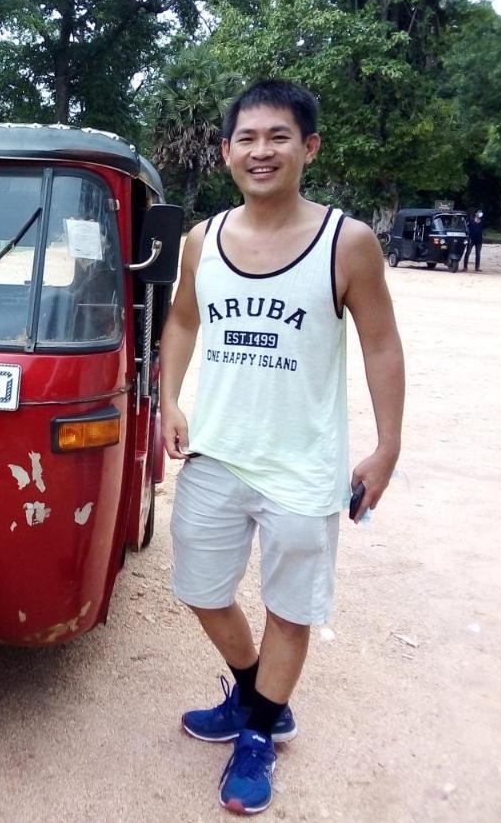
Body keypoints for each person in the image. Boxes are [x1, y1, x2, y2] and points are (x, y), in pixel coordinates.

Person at [159, 80, 404, 815]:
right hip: (218, 456)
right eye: (247, 138)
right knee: (201, 591)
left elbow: (382, 346)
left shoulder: (347, 242)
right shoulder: (203, 240)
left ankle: (258, 733)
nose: (261, 150)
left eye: (279, 136)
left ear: (308, 147)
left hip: (304, 466)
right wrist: (170, 399)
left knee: (291, 610)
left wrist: (386, 448)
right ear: (228, 149)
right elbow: (179, 322)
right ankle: (259, 693)